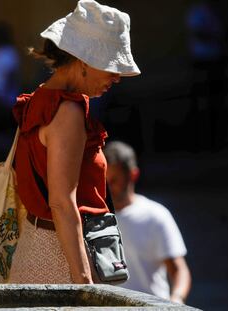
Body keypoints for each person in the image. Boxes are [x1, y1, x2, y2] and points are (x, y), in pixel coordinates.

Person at [9, 0, 140, 284]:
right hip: (61, 257)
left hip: (37, 246)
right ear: (84, 60)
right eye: (111, 67)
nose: (117, 78)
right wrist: (83, 283)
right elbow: (61, 203)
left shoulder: (39, 100)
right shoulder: (67, 111)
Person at [104, 141, 191, 303]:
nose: (108, 187)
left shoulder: (156, 215)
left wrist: (176, 301)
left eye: (114, 180)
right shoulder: (96, 218)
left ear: (133, 175)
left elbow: (179, 270)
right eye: (105, 180)